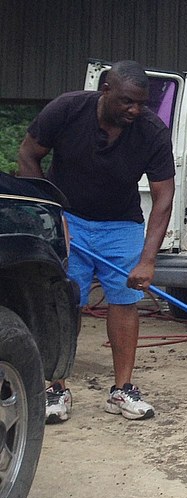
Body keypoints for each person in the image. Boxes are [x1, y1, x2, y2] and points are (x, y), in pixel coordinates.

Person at [17, 60, 175, 422]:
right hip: (67, 215)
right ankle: (55, 388)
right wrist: (53, 216)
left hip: (120, 223)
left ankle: (122, 391)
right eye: (127, 102)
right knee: (64, 301)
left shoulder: (151, 131)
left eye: (142, 103)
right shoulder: (67, 109)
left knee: (124, 299)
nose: (135, 110)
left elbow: (164, 195)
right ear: (105, 91)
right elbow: (28, 156)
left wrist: (148, 260)